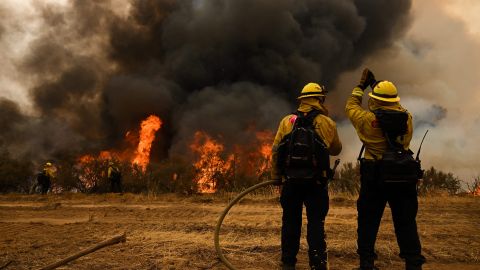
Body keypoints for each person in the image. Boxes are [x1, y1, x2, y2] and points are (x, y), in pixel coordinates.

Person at [345, 69, 426, 270]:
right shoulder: (407, 118)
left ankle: (366, 263)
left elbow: (351, 106)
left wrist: (361, 87)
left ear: (375, 100)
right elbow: (395, 107)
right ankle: (413, 263)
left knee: (368, 221)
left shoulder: (366, 120)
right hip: (403, 175)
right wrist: (379, 87)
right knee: (406, 222)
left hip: (374, 174)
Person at [271, 82, 342, 270]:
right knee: (316, 223)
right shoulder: (326, 122)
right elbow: (336, 149)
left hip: (291, 182)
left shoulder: (287, 121)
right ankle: (317, 264)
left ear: (302, 100)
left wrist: (277, 177)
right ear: (320, 99)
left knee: (290, 221)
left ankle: (288, 262)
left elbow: (276, 150)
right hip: (316, 183)